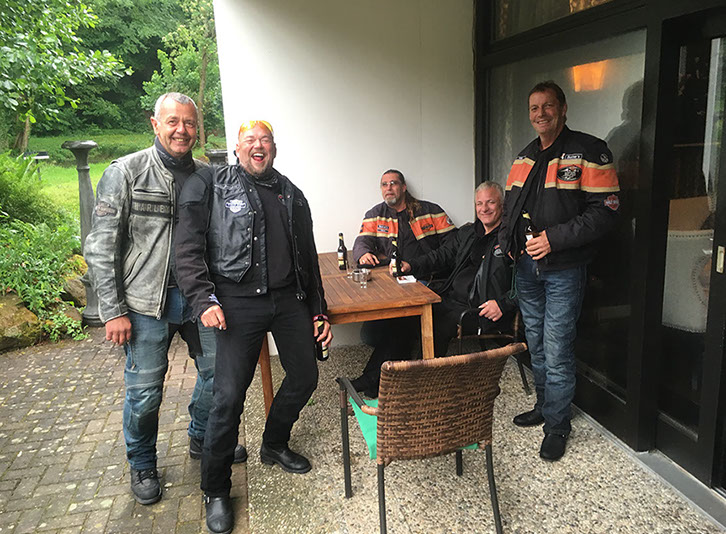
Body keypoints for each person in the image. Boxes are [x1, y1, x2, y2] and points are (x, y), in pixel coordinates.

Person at [84, 92, 246, 506]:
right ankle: (141, 463)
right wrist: (112, 311)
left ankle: (202, 436)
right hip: (143, 305)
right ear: (155, 124)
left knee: (218, 377)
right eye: (172, 121)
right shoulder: (126, 172)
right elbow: (101, 246)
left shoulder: (209, 175)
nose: (181, 130)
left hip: (200, 300)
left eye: (189, 123)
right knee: (144, 393)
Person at [174, 120, 332, 534]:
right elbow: (187, 249)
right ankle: (215, 489)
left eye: (265, 140)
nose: (258, 146)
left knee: (305, 376)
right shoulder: (210, 184)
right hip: (235, 302)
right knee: (228, 397)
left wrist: (319, 311)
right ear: (237, 148)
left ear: (274, 148)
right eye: (250, 140)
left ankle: (274, 443)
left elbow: (308, 259)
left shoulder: (292, 193)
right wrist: (203, 299)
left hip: (288, 300)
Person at [498, 80, 620, 461]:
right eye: (534, 108)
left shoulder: (590, 151)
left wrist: (553, 239)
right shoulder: (523, 157)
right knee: (535, 342)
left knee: (557, 346)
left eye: (548, 106)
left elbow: (605, 212)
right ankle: (544, 405)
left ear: (563, 109)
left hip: (564, 268)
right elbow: (509, 209)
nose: (541, 114)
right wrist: (506, 242)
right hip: (527, 268)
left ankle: (557, 425)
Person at [350, 169, 456, 396]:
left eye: (394, 183)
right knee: (375, 332)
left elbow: (453, 248)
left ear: (404, 187)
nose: (389, 188)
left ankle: (373, 380)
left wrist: (414, 265)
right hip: (392, 284)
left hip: (428, 281)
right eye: (384, 184)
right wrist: (362, 254)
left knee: (400, 322)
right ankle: (383, 376)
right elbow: (361, 242)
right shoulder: (375, 214)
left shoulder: (430, 211)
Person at [396, 181, 516, 356]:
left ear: (502, 205)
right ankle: (386, 371)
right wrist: (411, 265)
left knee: (435, 325)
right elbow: (442, 255)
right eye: (479, 203)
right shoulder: (469, 233)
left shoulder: (511, 239)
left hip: (479, 309)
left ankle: (426, 371)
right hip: (451, 299)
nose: (484, 208)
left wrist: (503, 304)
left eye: (490, 202)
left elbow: (527, 281)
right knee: (406, 317)